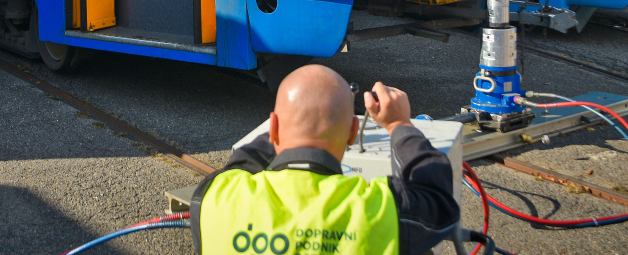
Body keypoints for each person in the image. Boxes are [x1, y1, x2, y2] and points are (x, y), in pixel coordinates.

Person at [190, 64, 459, 254]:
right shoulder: (377, 209)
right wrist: (400, 124)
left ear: (273, 128)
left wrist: (291, 120)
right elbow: (438, 200)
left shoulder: (216, 197)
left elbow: (243, 161)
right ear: (353, 132)